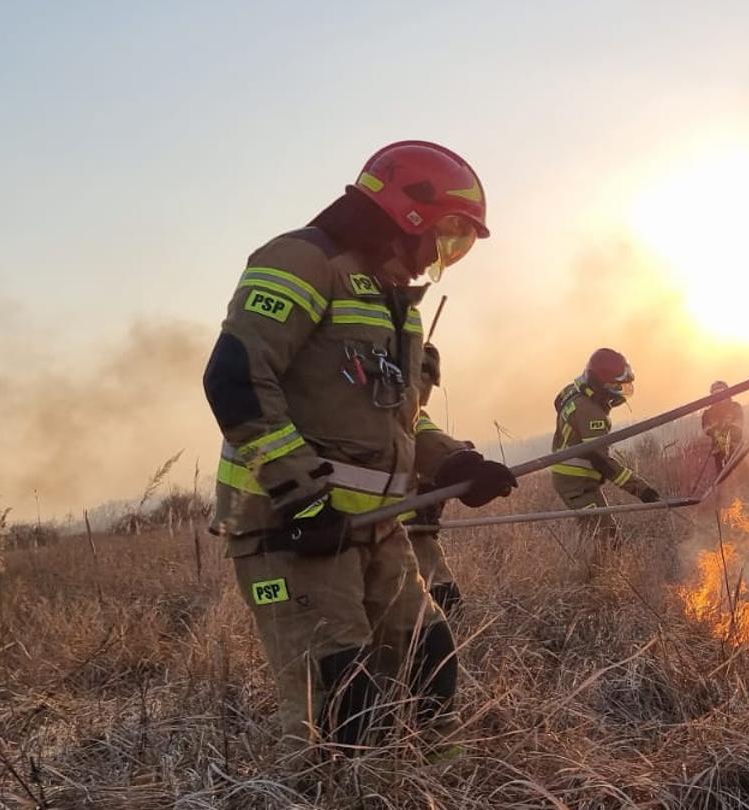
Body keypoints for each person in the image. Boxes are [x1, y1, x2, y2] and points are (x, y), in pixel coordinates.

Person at [202, 141, 515, 756]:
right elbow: (236, 380)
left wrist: (455, 462)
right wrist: (302, 497)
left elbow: (396, 419)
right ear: (410, 214)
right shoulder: (301, 261)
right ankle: (335, 788)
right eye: (449, 235)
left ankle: (431, 783)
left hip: (373, 526)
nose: (445, 255)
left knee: (429, 657)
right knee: (343, 699)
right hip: (291, 531)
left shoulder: (396, 301)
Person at [550, 348, 661, 548]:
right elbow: (602, 462)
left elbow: (557, 401)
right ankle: (594, 567)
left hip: (573, 477)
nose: (620, 392)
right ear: (601, 385)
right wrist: (642, 490)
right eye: (617, 386)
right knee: (606, 537)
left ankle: (591, 560)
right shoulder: (592, 414)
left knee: (599, 531)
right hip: (576, 484)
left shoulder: (573, 391)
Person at [406, 342, 462, 616]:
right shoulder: (390, 411)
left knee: (444, 600)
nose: (427, 391)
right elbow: (424, 439)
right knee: (437, 603)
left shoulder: (412, 413)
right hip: (391, 531)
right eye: (425, 380)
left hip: (412, 530)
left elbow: (429, 440)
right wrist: (459, 459)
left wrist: (461, 459)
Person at [699, 380, 744, 471]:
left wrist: (729, 429)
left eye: (721, 393)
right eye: (716, 395)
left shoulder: (735, 407)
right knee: (723, 475)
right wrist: (715, 432)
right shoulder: (708, 413)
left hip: (736, 449)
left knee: (740, 472)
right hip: (719, 452)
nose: (719, 398)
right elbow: (706, 428)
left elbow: (739, 423)